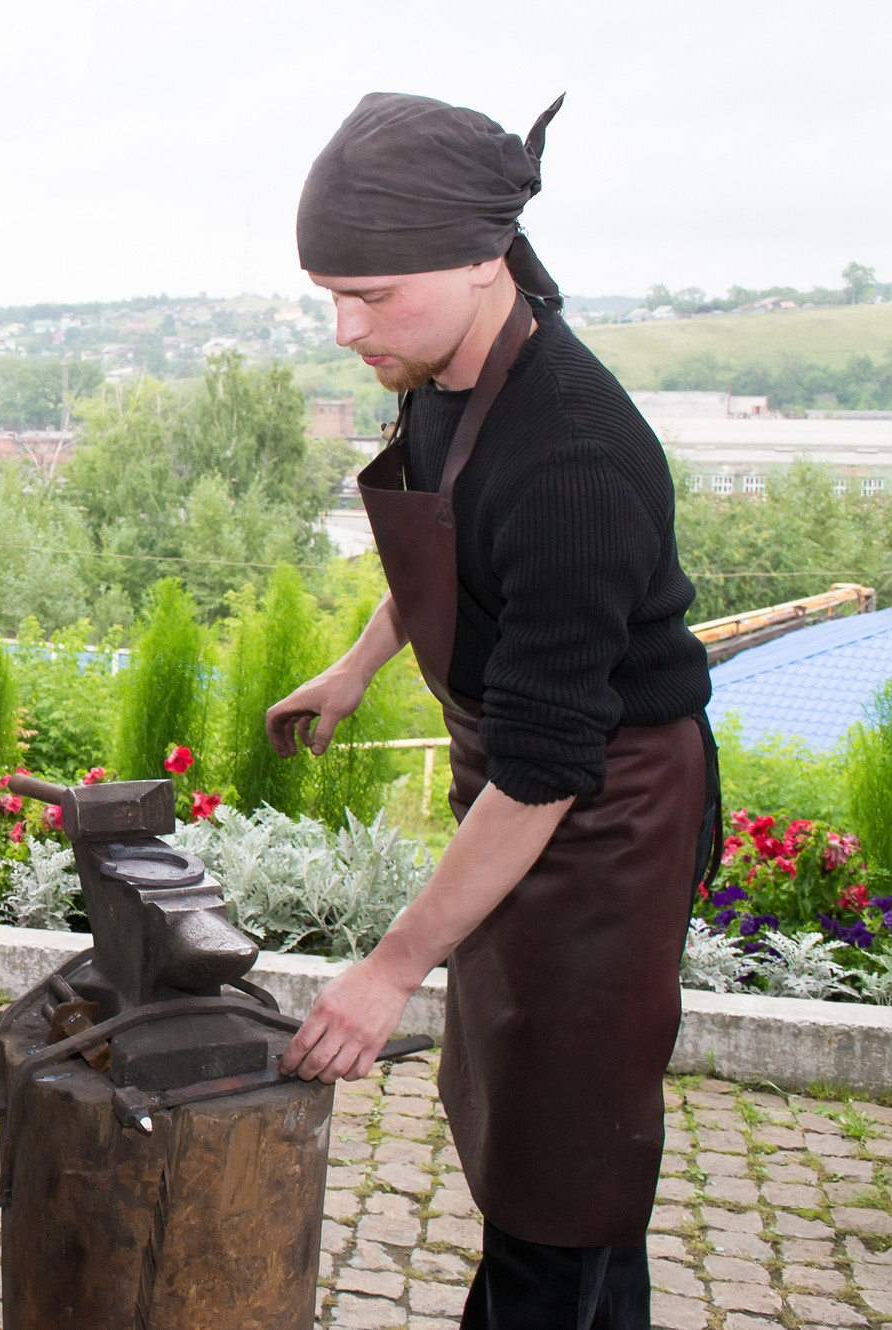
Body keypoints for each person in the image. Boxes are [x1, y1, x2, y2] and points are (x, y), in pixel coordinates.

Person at [267, 93, 717, 1329]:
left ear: (482, 258)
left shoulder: (569, 451)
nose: (347, 329)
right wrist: (360, 661)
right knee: (543, 1143)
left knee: (564, 1168)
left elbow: (542, 769)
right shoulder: (440, 367)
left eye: (371, 295)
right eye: (329, 295)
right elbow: (456, 551)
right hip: (523, 801)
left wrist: (389, 968)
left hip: (602, 816)